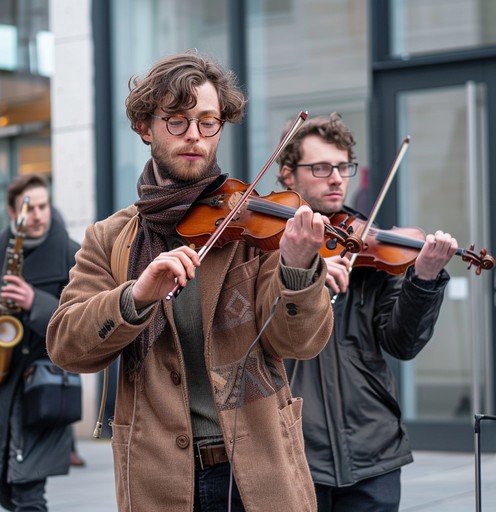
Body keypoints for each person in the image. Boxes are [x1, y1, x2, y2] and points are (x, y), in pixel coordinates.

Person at [46, 50, 333, 512]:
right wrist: (135, 296)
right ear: (145, 127)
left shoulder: (252, 227)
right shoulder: (111, 238)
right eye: (177, 121)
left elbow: (298, 342)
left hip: (258, 474)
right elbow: (65, 346)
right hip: (157, 476)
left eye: (208, 121)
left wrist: (298, 269)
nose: (195, 136)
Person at [276, 113, 458, 512]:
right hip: (293, 451)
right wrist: (301, 278)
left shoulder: (370, 249)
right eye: (322, 167)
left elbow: (402, 342)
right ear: (288, 175)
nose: (337, 177)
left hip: (372, 451)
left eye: (343, 166)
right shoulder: (263, 248)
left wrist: (423, 279)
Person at [0, 174, 80, 511]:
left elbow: (82, 316)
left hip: (44, 382)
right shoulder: (4, 242)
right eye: (31, 208)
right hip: (4, 377)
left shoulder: (71, 252)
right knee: (8, 483)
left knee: (27, 491)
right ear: (14, 214)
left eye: (44, 205)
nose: (39, 214)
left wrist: (33, 301)